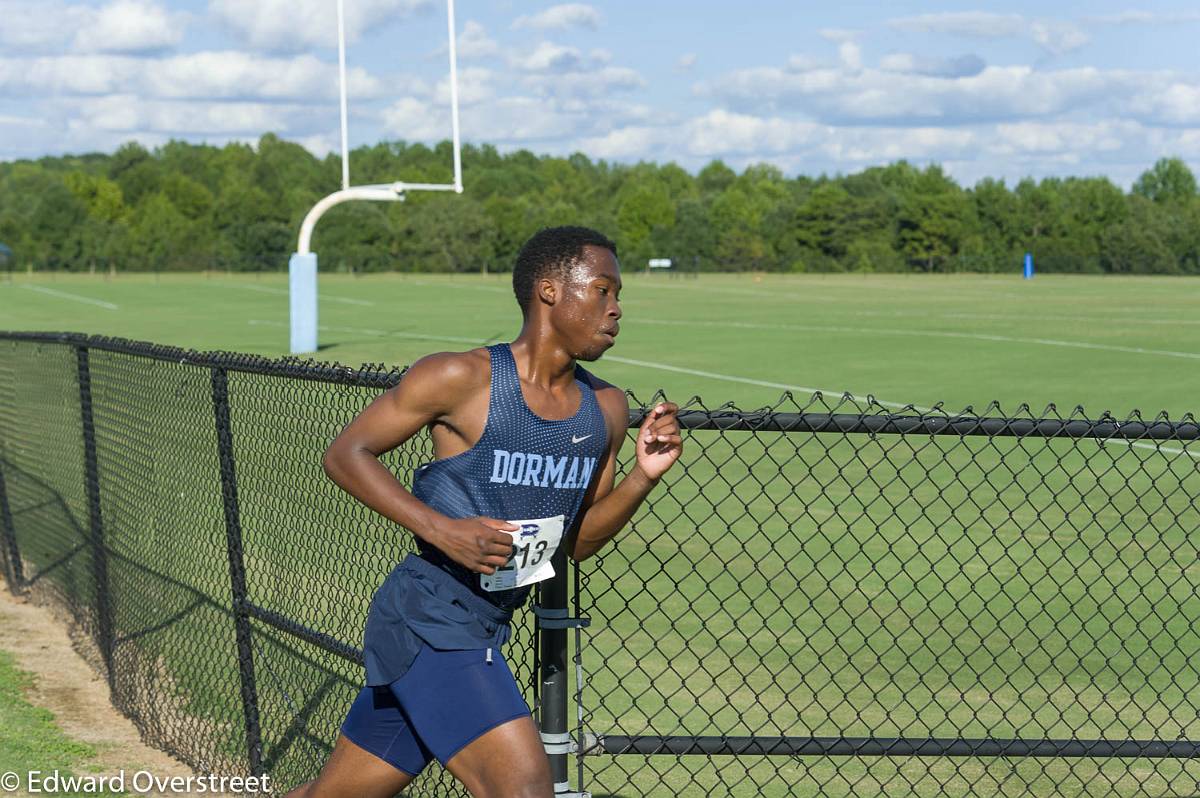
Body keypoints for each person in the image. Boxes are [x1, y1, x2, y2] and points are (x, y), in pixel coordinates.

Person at [286, 226, 682, 798]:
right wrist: (442, 530)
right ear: (549, 291)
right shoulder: (462, 378)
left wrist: (644, 476)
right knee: (523, 789)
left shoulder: (607, 408)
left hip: (487, 622)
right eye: (602, 290)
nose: (617, 309)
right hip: (430, 616)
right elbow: (346, 453)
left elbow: (581, 541)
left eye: (617, 295)